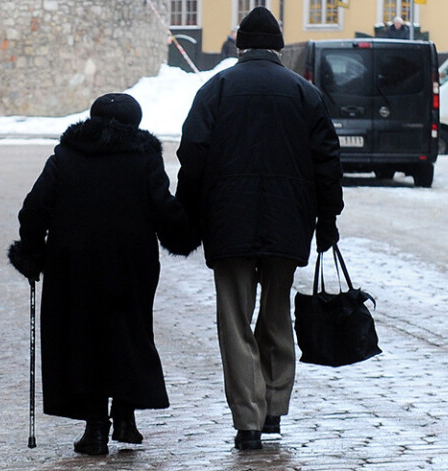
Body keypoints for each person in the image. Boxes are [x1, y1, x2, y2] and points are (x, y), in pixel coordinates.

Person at [175, 7, 344, 451]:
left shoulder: (216, 89)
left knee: (234, 320)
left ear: (240, 45)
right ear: (278, 47)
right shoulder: (304, 93)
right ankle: (273, 409)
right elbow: (327, 162)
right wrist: (327, 220)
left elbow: (192, 154)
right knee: (275, 315)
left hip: (227, 222)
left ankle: (246, 421)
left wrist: (188, 215)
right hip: (288, 223)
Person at [8, 93, 193, 455]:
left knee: (84, 340)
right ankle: (125, 416)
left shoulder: (66, 155)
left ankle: (96, 429)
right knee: (127, 333)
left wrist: (32, 250)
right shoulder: (144, 157)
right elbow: (164, 209)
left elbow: (34, 208)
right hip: (131, 263)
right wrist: (187, 232)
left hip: (74, 264)